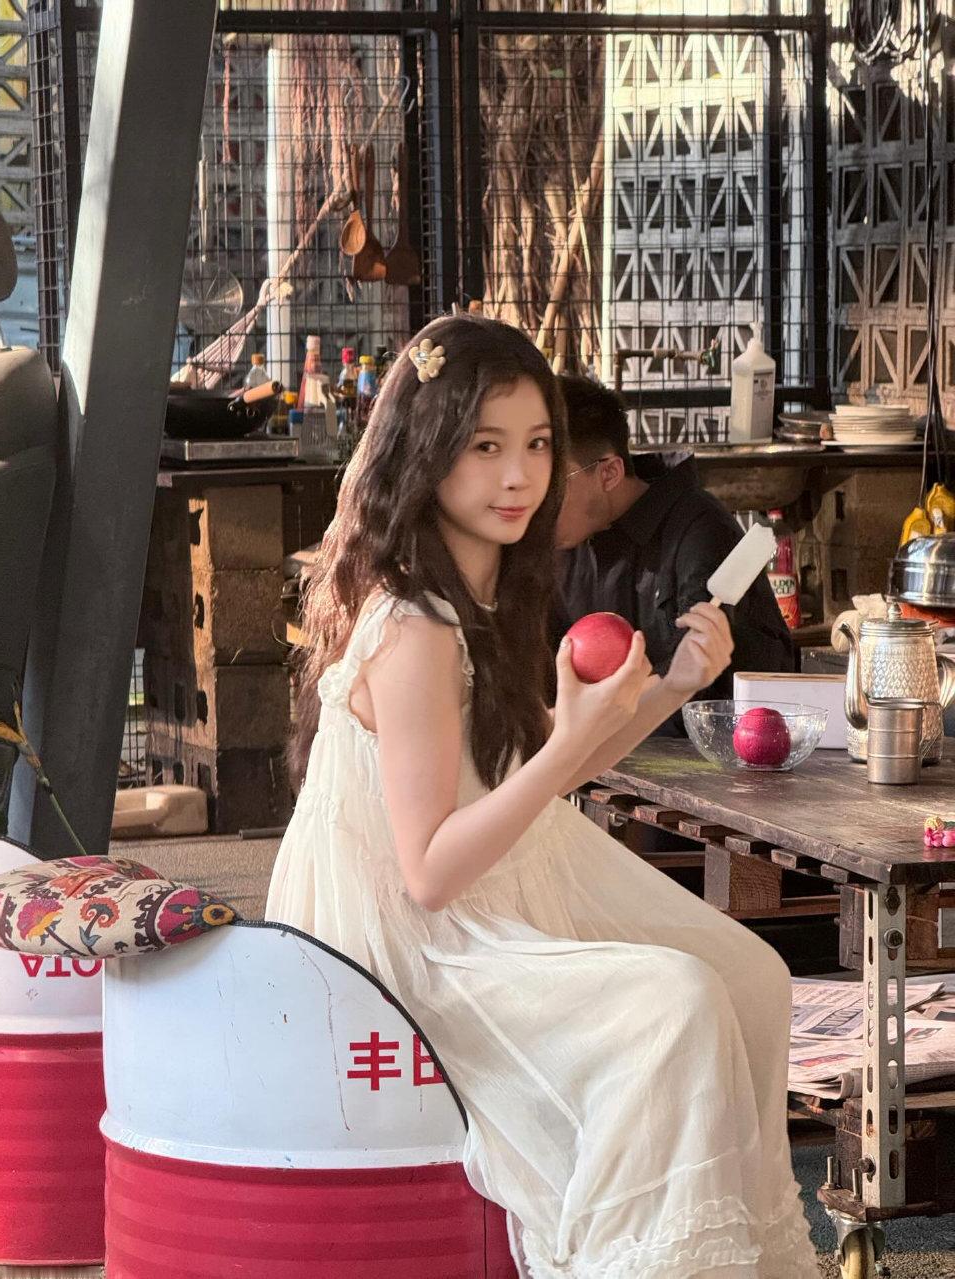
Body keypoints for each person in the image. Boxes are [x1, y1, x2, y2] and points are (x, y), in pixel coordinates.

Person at [266, 315, 817, 1277]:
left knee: (754, 975)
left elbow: (530, 766)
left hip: (487, 889)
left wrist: (675, 686)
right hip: (410, 941)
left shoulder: (488, 591)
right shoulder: (415, 623)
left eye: (535, 446)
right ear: (426, 454)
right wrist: (566, 743)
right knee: (674, 1001)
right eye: (485, 447)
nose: (518, 476)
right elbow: (429, 871)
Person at [554, 376, 795, 734]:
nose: (536, 502)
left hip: (717, 749)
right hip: (596, 749)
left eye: (554, 484)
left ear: (609, 473)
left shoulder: (700, 530)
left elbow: (699, 684)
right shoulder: (559, 542)